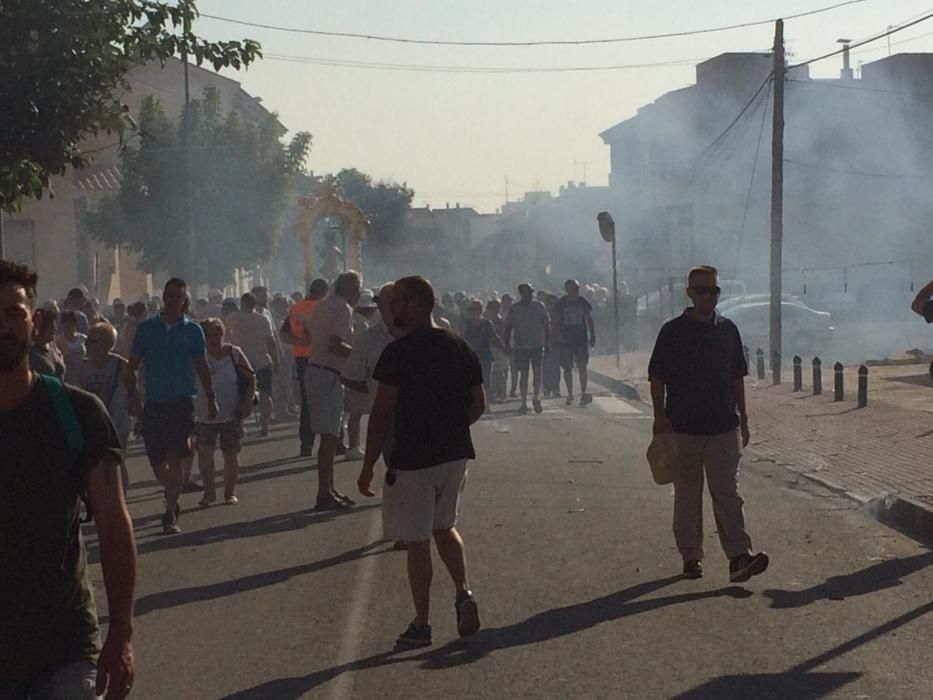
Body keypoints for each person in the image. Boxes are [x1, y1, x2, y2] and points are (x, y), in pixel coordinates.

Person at [0, 259, 137, 700]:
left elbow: (115, 528)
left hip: (63, 647)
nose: (2, 327)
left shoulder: (75, 414)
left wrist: (121, 634)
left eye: (12, 314)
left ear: (34, 322)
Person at [357, 276, 485, 647]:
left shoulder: (397, 353)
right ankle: (464, 592)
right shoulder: (459, 346)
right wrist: (453, 428)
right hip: (455, 454)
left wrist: (367, 466)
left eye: (396, 301)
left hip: (413, 459)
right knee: (445, 527)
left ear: (414, 305)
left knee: (416, 541)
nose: (390, 308)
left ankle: (422, 622)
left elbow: (381, 414)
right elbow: (477, 404)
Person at [648, 265, 769, 583]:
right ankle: (691, 556)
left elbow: (736, 377)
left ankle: (739, 557)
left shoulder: (728, 329)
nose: (708, 296)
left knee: (728, 493)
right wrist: (660, 418)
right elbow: (657, 377)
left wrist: (743, 417)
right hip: (684, 428)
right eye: (701, 290)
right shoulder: (672, 332)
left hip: (723, 426)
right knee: (688, 495)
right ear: (689, 293)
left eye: (713, 290)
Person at [125, 278, 217, 535]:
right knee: (156, 459)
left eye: (179, 296)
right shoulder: (147, 329)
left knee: (176, 456)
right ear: (163, 297)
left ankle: (170, 509)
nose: (174, 300)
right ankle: (172, 489)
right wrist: (133, 397)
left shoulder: (193, 330)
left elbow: (201, 366)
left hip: (181, 401)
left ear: (184, 300)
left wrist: (210, 397)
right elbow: (132, 366)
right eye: (170, 295)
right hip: (154, 401)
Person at [306, 271, 361, 510]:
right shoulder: (343, 309)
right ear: (351, 289)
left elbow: (310, 333)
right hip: (326, 373)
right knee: (329, 438)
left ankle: (329, 488)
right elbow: (335, 344)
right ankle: (323, 493)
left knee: (330, 436)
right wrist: (359, 356)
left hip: (319, 370)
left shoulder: (324, 305)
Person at [195, 318, 255, 507]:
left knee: (230, 454)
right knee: (205, 455)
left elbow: (250, 377)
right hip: (204, 413)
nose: (215, 338)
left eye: (218, 333)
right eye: (210, 335)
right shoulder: (198, 356)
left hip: (231, 412)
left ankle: (230, 492)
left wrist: (247, 402)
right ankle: (209, 492)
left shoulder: (233, 353)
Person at [342, 283, 397, 462]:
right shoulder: (367, 334)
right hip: (366, 383)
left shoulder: (419, 333)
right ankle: (353, 445)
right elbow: (351, 373)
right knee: (356, 413)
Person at [80, 322, 131, 493]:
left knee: (116, 460)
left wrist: (140, 416)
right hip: (93, 423)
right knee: (97, 463)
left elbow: (133, 391)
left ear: (105, 343)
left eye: (91, 341)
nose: (87, 345)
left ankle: (121, 497)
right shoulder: (83, 366)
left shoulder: (121, 365)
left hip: (117, 422)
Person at [282, 279, 329, 457]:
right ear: (324, 291)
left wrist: (298, 341)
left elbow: (284, 333)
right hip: (322, 358)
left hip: (301, 359)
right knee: (328, 400)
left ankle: (306, 444)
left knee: (307, 403)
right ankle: (335, 440)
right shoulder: (324, 307)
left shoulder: (297, 307)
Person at [226, 292, 279, 437]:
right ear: (254, 305)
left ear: (241, 304)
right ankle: (264, 424)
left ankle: (241, 425)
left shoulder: (233, 318)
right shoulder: (263, 319)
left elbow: (228, 337)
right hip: (261, 360)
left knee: (240, 394)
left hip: (241, 361)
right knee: (265, 394)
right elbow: (271, 342)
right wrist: (276, 360)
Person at [504, 283, 550, 415]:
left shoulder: (539, 306)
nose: (529, 294)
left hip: (536, 344)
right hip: (521, 346)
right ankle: (524, 401)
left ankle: (536, 397)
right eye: (526, 292)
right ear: (521, 293)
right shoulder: (515, 308)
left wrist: (547, 342)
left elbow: (547, 324)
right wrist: (507, 344)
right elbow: (508, 327)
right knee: (523, 374)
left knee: (537, 372)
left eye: (530, 292)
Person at [555, 279, 597, 406]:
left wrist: (592, 335)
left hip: (580, 338)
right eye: (574, 289)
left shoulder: (582, 301)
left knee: (582, 366)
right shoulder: (561, 303)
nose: (576, 291)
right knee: (567, 367)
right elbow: (556, 321)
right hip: (567, 339)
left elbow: (589, 319)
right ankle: (570, 393)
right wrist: (559, 335)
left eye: (577, 289)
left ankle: (583, 392)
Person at [463, 299, 504, 411]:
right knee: (471, 381)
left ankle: (486, 404)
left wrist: (504, 347)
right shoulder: (467, 323)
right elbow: (463, 338)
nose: (472, 312)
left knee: (486, 381)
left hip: (485, 355)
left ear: (480, 310)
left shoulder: (487, 323)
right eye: (471, 309)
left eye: (474, 309)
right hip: (471, 355)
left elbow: (494, 337)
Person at [30, 304, 66, 379]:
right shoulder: (30, 351)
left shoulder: (53, 346)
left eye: (55, 326)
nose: (54, 329)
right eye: (50, 327)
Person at [485, 299, 509, 403]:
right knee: (492, 374)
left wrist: (504, 346)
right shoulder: (487, 320)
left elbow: (501, 336)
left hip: (498, 348)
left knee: (499, 373)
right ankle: (494, 394)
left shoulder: (499, 321)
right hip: (489, 347)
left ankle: (503, 395)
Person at [57, 310, 87, 384]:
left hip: (83, 375)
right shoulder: (59, 341)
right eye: (65, 325)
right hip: (68, 377)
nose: (68, 327)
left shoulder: (83, 339)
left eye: (70, 324)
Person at [542, 294, 563, 399]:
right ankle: (546, 387)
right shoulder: (542, 314)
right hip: (544, 342)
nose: (553, 306)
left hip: (556, 342)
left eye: (555, 304)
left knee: (555, 366)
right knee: (545, 366)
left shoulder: (560, 315)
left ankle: (556, 388)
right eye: (551, 303)